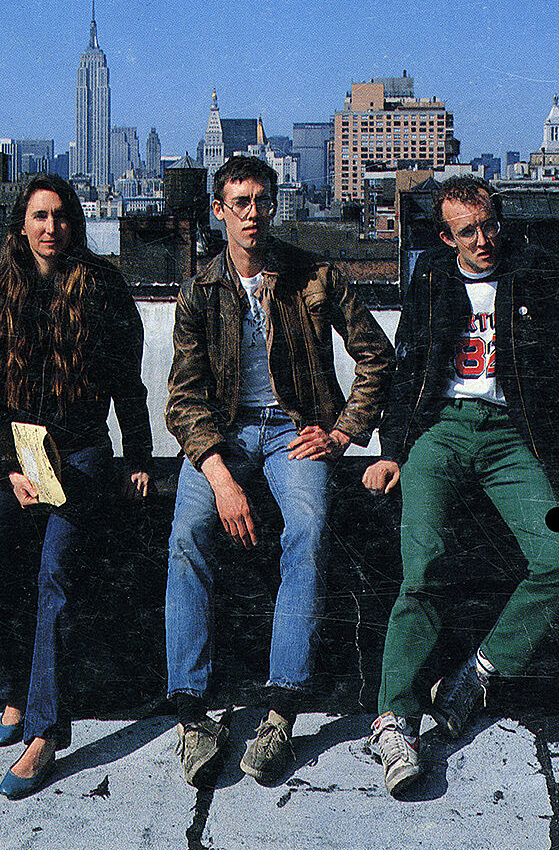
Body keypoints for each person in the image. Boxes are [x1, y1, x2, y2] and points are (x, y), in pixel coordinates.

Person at [164, 156, 393, 787]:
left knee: (308, 536)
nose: (252, 212)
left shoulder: (312, 276)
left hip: (295, 433)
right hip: (223, 435)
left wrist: (345, 431)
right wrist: (221, 476)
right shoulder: (200, 289)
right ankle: (192, 712)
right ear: (219, 210)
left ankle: (279, 709)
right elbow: (183, 399)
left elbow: (376, 355)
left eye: (262, 199)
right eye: (239, 201)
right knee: (186, 539)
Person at [362, 175, 559, 796]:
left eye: (488, 225)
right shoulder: (430, 276)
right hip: (441, 434)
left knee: (558, 555)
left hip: (513, 439)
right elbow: (406, 368)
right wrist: (391, 452)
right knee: (422, 564)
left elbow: (554, 369)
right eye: (467, 231)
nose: (482, 240)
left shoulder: (530, 273)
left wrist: (554, 456)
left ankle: (478, 674)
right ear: (445, 235)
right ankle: (394, 720)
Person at [0, 174, 152, 800]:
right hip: (16, 456)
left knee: (56, 576)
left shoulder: (102, 288)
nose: (50, 228)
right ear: (20, 226)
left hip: (82, 452)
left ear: (75, 224)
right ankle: (11, 689)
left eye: (61, 216)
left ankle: (45, 733)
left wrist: (138, 457)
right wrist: (5, 468)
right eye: (39, 216)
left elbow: (129, 384)